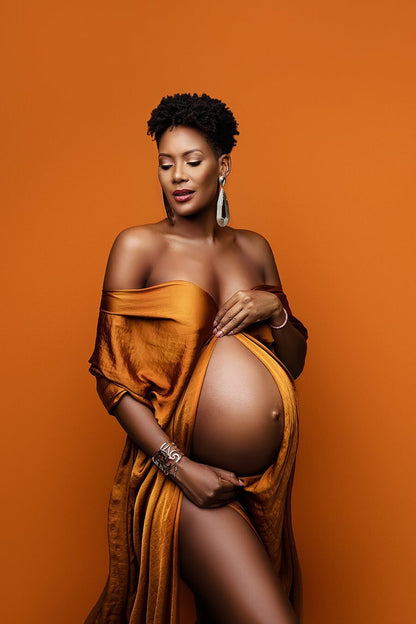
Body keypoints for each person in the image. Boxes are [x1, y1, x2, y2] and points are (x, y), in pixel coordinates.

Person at [85, 92, 308, 624]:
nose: (177, 176)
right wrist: (181, 468)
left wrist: (274, 308)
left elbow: (293, 362)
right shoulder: (139, 247)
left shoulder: (254, 248)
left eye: (192, 161)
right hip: (185, 484)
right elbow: (112, 383)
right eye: (166, 164)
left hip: (263, 487)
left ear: (222, 165)